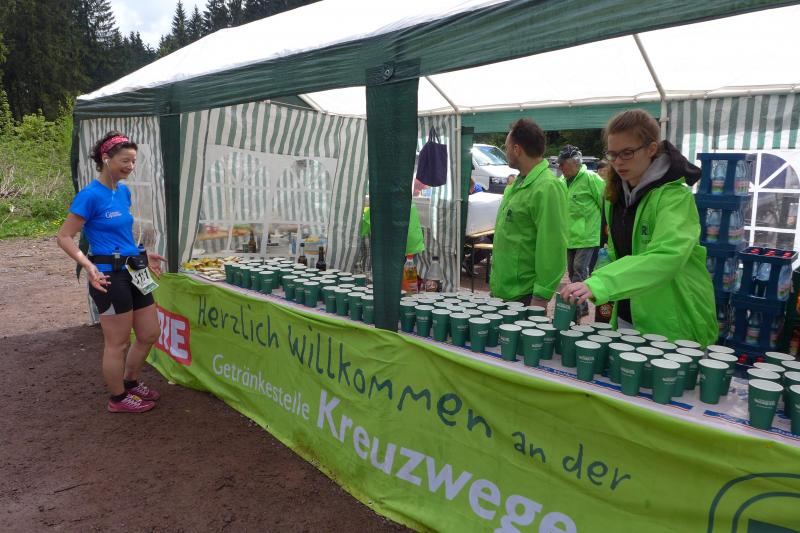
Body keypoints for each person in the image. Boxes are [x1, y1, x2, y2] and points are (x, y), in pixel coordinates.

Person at [560, 109, 717, 345]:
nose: (618, 162)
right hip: (627, 315)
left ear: (651, 149)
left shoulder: (675, 197)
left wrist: (601, 283)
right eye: (613, 154)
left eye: (627, 153)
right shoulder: (615, 197)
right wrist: (597, 284)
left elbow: (667, 256)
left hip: (674, 325)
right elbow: (615, 254)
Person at [57, 131, 166, 414]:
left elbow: (122, 234)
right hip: (108, 275)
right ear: (106, 159)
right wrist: (88, 265)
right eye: (125, 161)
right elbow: (64, 237)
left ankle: (130, 382)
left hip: (134, 270)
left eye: (133, 161)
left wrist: (143, 255)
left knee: (149, 332)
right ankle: (118, 398)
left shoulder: (123, 191)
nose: (131, 166)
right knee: (118, 342)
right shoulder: (90, 195)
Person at [490, 119, 568, 307]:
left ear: (516, 149)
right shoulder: (518, 183)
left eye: (506, 147)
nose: (506, 151)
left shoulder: (547, 187)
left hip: (524, 295)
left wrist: (541, 296)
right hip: (504, 290)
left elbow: (553, 246)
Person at [558, 144, 605, 318]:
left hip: (587, 236)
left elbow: (606, 204)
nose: (560, 168)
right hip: (569, 236)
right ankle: (581, 306)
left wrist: (606, 232)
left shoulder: (591, 178)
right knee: (571, 272)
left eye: (563, 164)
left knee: (579, 270)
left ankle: (577, 309)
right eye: (559, 164)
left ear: (575, 163)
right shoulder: (561, 181)